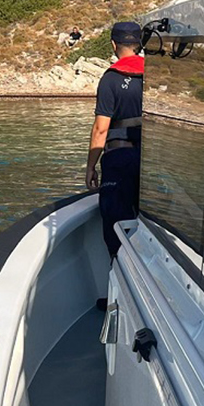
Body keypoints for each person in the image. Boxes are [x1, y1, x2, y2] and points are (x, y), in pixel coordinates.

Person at [86, 21, 144, 257]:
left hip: (119, 158)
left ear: (113, 44)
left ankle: (118, 275)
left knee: (115, 223)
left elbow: (101, 129)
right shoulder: (154, 73)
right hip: (149, 158)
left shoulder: (110, 79)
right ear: (139, 44)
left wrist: (90, 166)